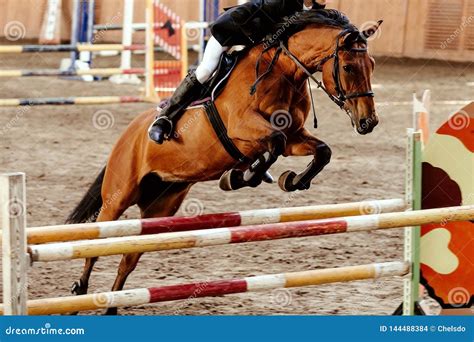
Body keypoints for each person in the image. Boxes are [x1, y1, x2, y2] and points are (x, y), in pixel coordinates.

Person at [148, 0, 327, 144]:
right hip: (230, 31)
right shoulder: (282, 3)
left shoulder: (316, 9)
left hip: (254, 43)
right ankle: (164, 119)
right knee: (205, 70)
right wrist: (256, 40)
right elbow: (244, 16)